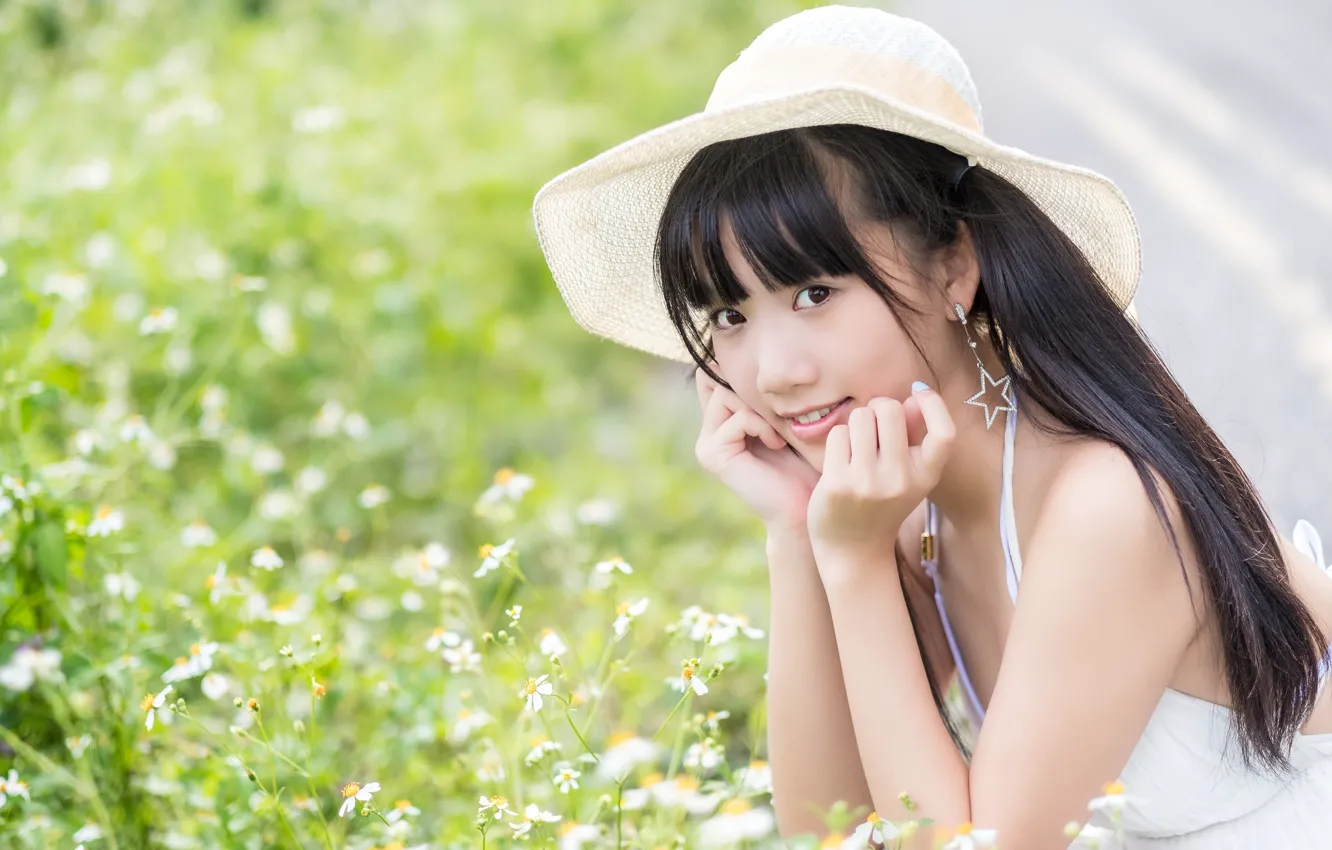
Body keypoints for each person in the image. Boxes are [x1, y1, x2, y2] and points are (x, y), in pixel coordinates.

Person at [531, 6, 1332, 848]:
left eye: (814, 294)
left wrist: (855, 562)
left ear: (955, 263)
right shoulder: (906, 504)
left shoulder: (1105, 504)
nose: (774, 372)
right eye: (728, 315)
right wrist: (802, 533)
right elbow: (825, 830)